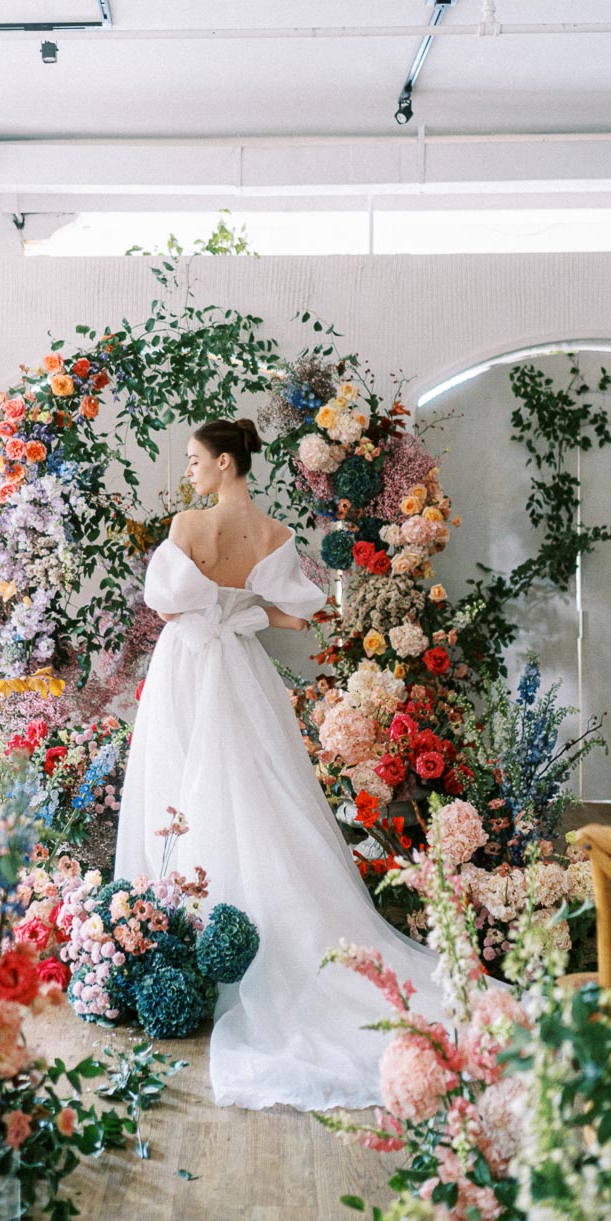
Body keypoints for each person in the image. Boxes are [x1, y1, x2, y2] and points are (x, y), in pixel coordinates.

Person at [114, 416, 448, 1112]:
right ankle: (228, 934)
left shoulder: (187, 527)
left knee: (181, 786)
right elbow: (291, 611)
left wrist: (240, 607)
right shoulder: (273, 537)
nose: (191, 471)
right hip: (237, 669)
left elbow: (166, 603)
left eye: (197, 459)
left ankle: (182, 938)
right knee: (254, 791)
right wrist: (264, 612)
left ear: (228, 463)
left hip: (187, 667)